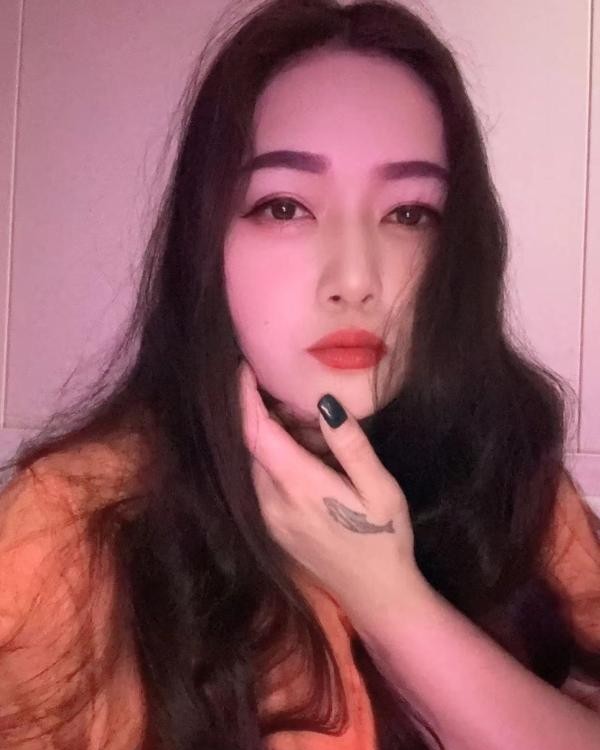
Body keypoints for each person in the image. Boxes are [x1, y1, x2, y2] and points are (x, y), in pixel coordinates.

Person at [1, 0, 599, 748]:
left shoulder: (506, 480)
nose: (355, 280)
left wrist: (391, 602)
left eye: (410, 214)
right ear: (207, 246)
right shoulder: (72, 530)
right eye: (285, 207)